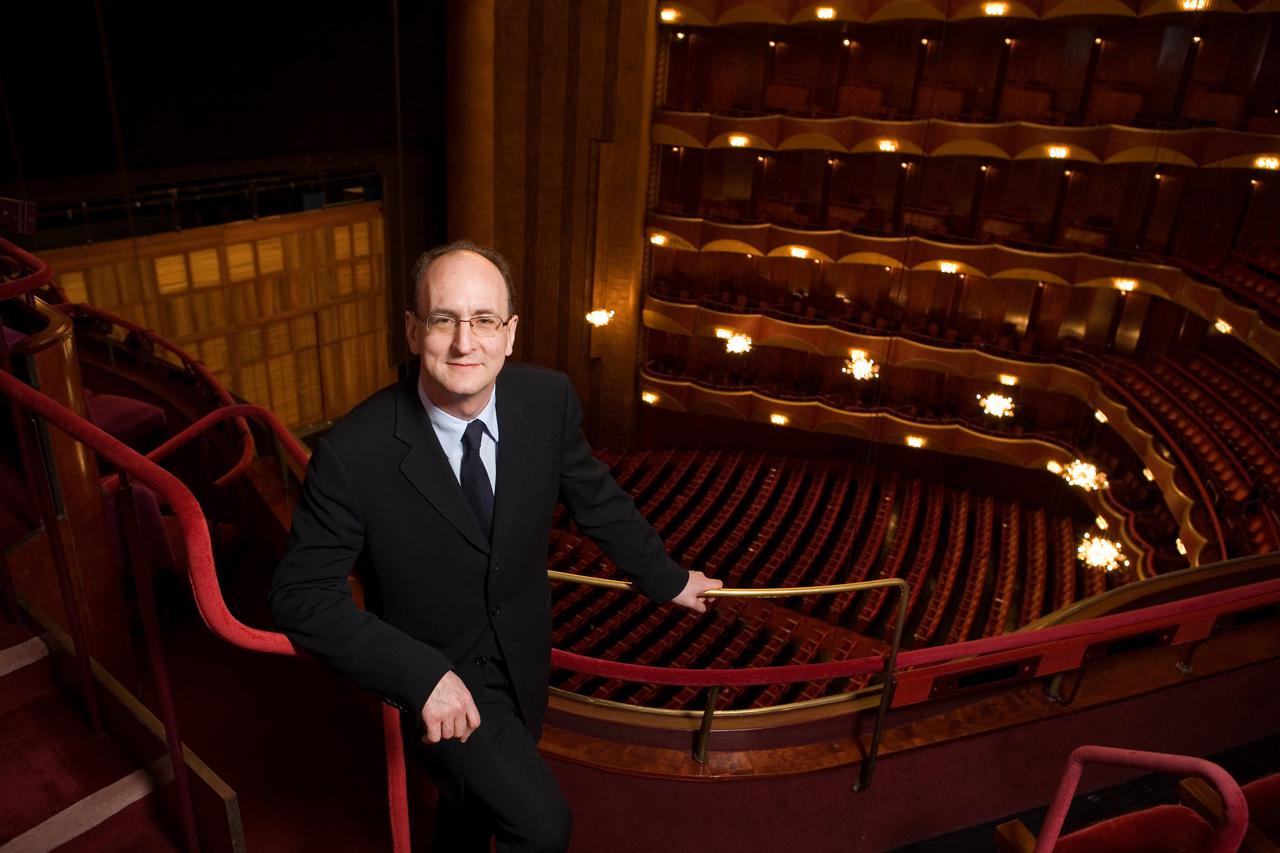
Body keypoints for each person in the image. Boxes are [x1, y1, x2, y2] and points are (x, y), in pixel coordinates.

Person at [270, 240, 721, 852]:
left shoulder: (549, 399)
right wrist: (421, 675)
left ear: (510, 333)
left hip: (525, 654)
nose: (465, 342)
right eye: (443, 319)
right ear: (412, 330)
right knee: (541, 826)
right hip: (438, 680)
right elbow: (301, 598)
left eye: (484, 320)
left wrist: (667, 579)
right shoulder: (353, 453)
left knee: (472, 808)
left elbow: (597, 499)